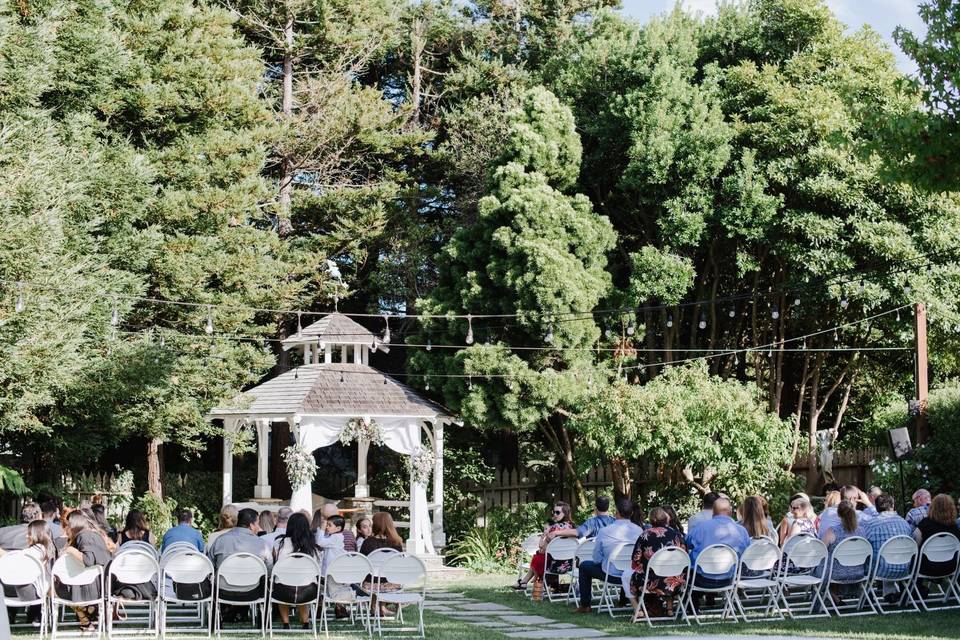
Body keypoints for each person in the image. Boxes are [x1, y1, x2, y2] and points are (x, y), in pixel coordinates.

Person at [573, 498, 643, 613]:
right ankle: (623, 601)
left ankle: (585, 605)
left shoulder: (605, 531)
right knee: (625, 565)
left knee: (584, 566)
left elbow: (596, 559)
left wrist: (605, 560)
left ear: (616, 512)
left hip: (611, 574)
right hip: (632, 574)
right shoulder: (639, 530)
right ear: (631, 513)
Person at [207, 508, 272, 620]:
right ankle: (262, 622)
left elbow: (210, 566)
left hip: (223, 590)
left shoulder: (220, 540)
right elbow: (269, 570)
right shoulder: (262, 544)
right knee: (265, 580)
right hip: (253, 591)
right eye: (258, 524)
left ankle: (217, 619)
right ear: (251, 526)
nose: (259, 528)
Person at [625, 507, 686, 618]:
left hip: (651, 582)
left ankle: (637, 609)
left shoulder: (645, 535)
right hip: (676, 582)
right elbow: (684, 557)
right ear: (666, 519)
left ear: (651, 520)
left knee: (626, 576)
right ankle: (670, 608)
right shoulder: (676, 535)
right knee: (670, 571)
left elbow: (635, 561)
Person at [56, 510, 111, 632]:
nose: (67, 527)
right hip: (96, 586)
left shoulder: (85, 536)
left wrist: (70, 550)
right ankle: (88, 613)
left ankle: (85, 617)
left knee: (53, 587)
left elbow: (88, 559)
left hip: (89, 586)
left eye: (69, 524)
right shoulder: (94, 535)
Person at [0, 520, 58, 626]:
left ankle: (11, 617)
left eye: (29, 534)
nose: (26, 536)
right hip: (41, 591)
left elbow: (14, 560)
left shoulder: (33, 552)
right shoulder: (47, 549)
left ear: (37, 535)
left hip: (31, 593)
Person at [686, 497, 750, 593]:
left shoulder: (701, 527)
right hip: (729, 579)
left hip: (701, 579)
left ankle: (693, 606)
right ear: (730, 511)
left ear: (713, 512)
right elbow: (746, 552)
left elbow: (687, 543)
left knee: (689, 568)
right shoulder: (741, 531)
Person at [862, 493, 913, 604]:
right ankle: (889, 593)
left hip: (880, 570)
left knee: (868, 556)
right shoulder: (905, 524)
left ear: (876, 507)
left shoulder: (871, 524)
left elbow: (863, 545)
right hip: (905, 568)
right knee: (885, 554)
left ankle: (866, 596)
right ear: (893, 505)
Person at [514, 502, 576, 591]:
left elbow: (543, 549)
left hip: (553, 565)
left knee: (538, 556)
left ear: (565, 513)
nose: (554, 514)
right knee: (539, 557)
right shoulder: (572, 527)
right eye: (553, 512)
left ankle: (524, 582)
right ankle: (527, 582)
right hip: (569, 565)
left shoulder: (554, 528)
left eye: (557, 512)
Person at [273, 513, 319, 630]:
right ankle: (305, 622)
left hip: (283, 591)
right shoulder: (313, 547)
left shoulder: (279, 543)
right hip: (308, 592)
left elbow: (275, 564)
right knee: (304, 582)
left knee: (281, 581)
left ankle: (286, 622)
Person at [913, 493, 960, 596]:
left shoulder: (925, 523)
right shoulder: (955, 527)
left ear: (932, 507)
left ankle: (915, 591)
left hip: (926, 567)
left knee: (912, 557)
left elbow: (914, 543)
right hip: (950, 566)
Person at [822, 501, 867, 602]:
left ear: (838, 514)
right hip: (858, 572)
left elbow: (821, 550)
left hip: (836, 574)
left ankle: (833, 596)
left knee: (821, 566)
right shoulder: (862, 531)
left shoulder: (832, 531)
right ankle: (836, 596)